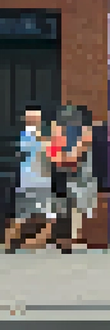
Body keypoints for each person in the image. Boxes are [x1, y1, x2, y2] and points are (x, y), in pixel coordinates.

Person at [4, 106, 57, 252]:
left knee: (43, 218)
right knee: (26, 218)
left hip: (40, 181)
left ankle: (22, 245)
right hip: (32, 182)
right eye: (33, 118)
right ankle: (16, 245)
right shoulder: (27, 135)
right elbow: (47, 151)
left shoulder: (39, 135)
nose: (35, 120)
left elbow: (51, 154)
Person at [49, 104, 96, 252]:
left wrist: (63, 158)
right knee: (63, 208)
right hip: (65, 179)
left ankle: (73, 241)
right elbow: (56, 157)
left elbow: (72, 158)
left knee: (76, 210)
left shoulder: (85, 134)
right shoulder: (61, 136)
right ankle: (63, 241)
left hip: (80, 180)